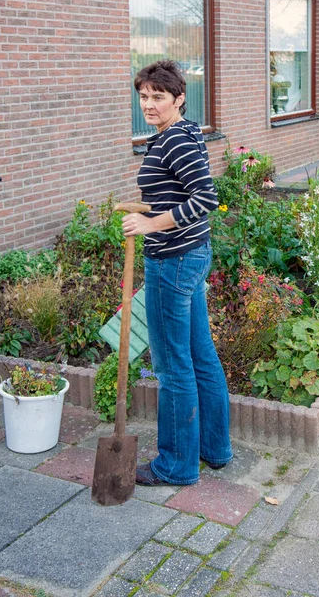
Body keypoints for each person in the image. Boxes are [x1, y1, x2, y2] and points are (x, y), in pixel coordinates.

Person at [122, 60, 233, 486]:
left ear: (179, 98)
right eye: (144, 96)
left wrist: (151, 224)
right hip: (190, 255)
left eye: (158, 97)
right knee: (201, 356)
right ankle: (214, 450)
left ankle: (176, 465)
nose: (148, 104)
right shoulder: (179, 134)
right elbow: (179, 190)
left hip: (172, 261)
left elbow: (205, 198)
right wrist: (147, 207)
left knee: (172, 366)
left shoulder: (177, 142)